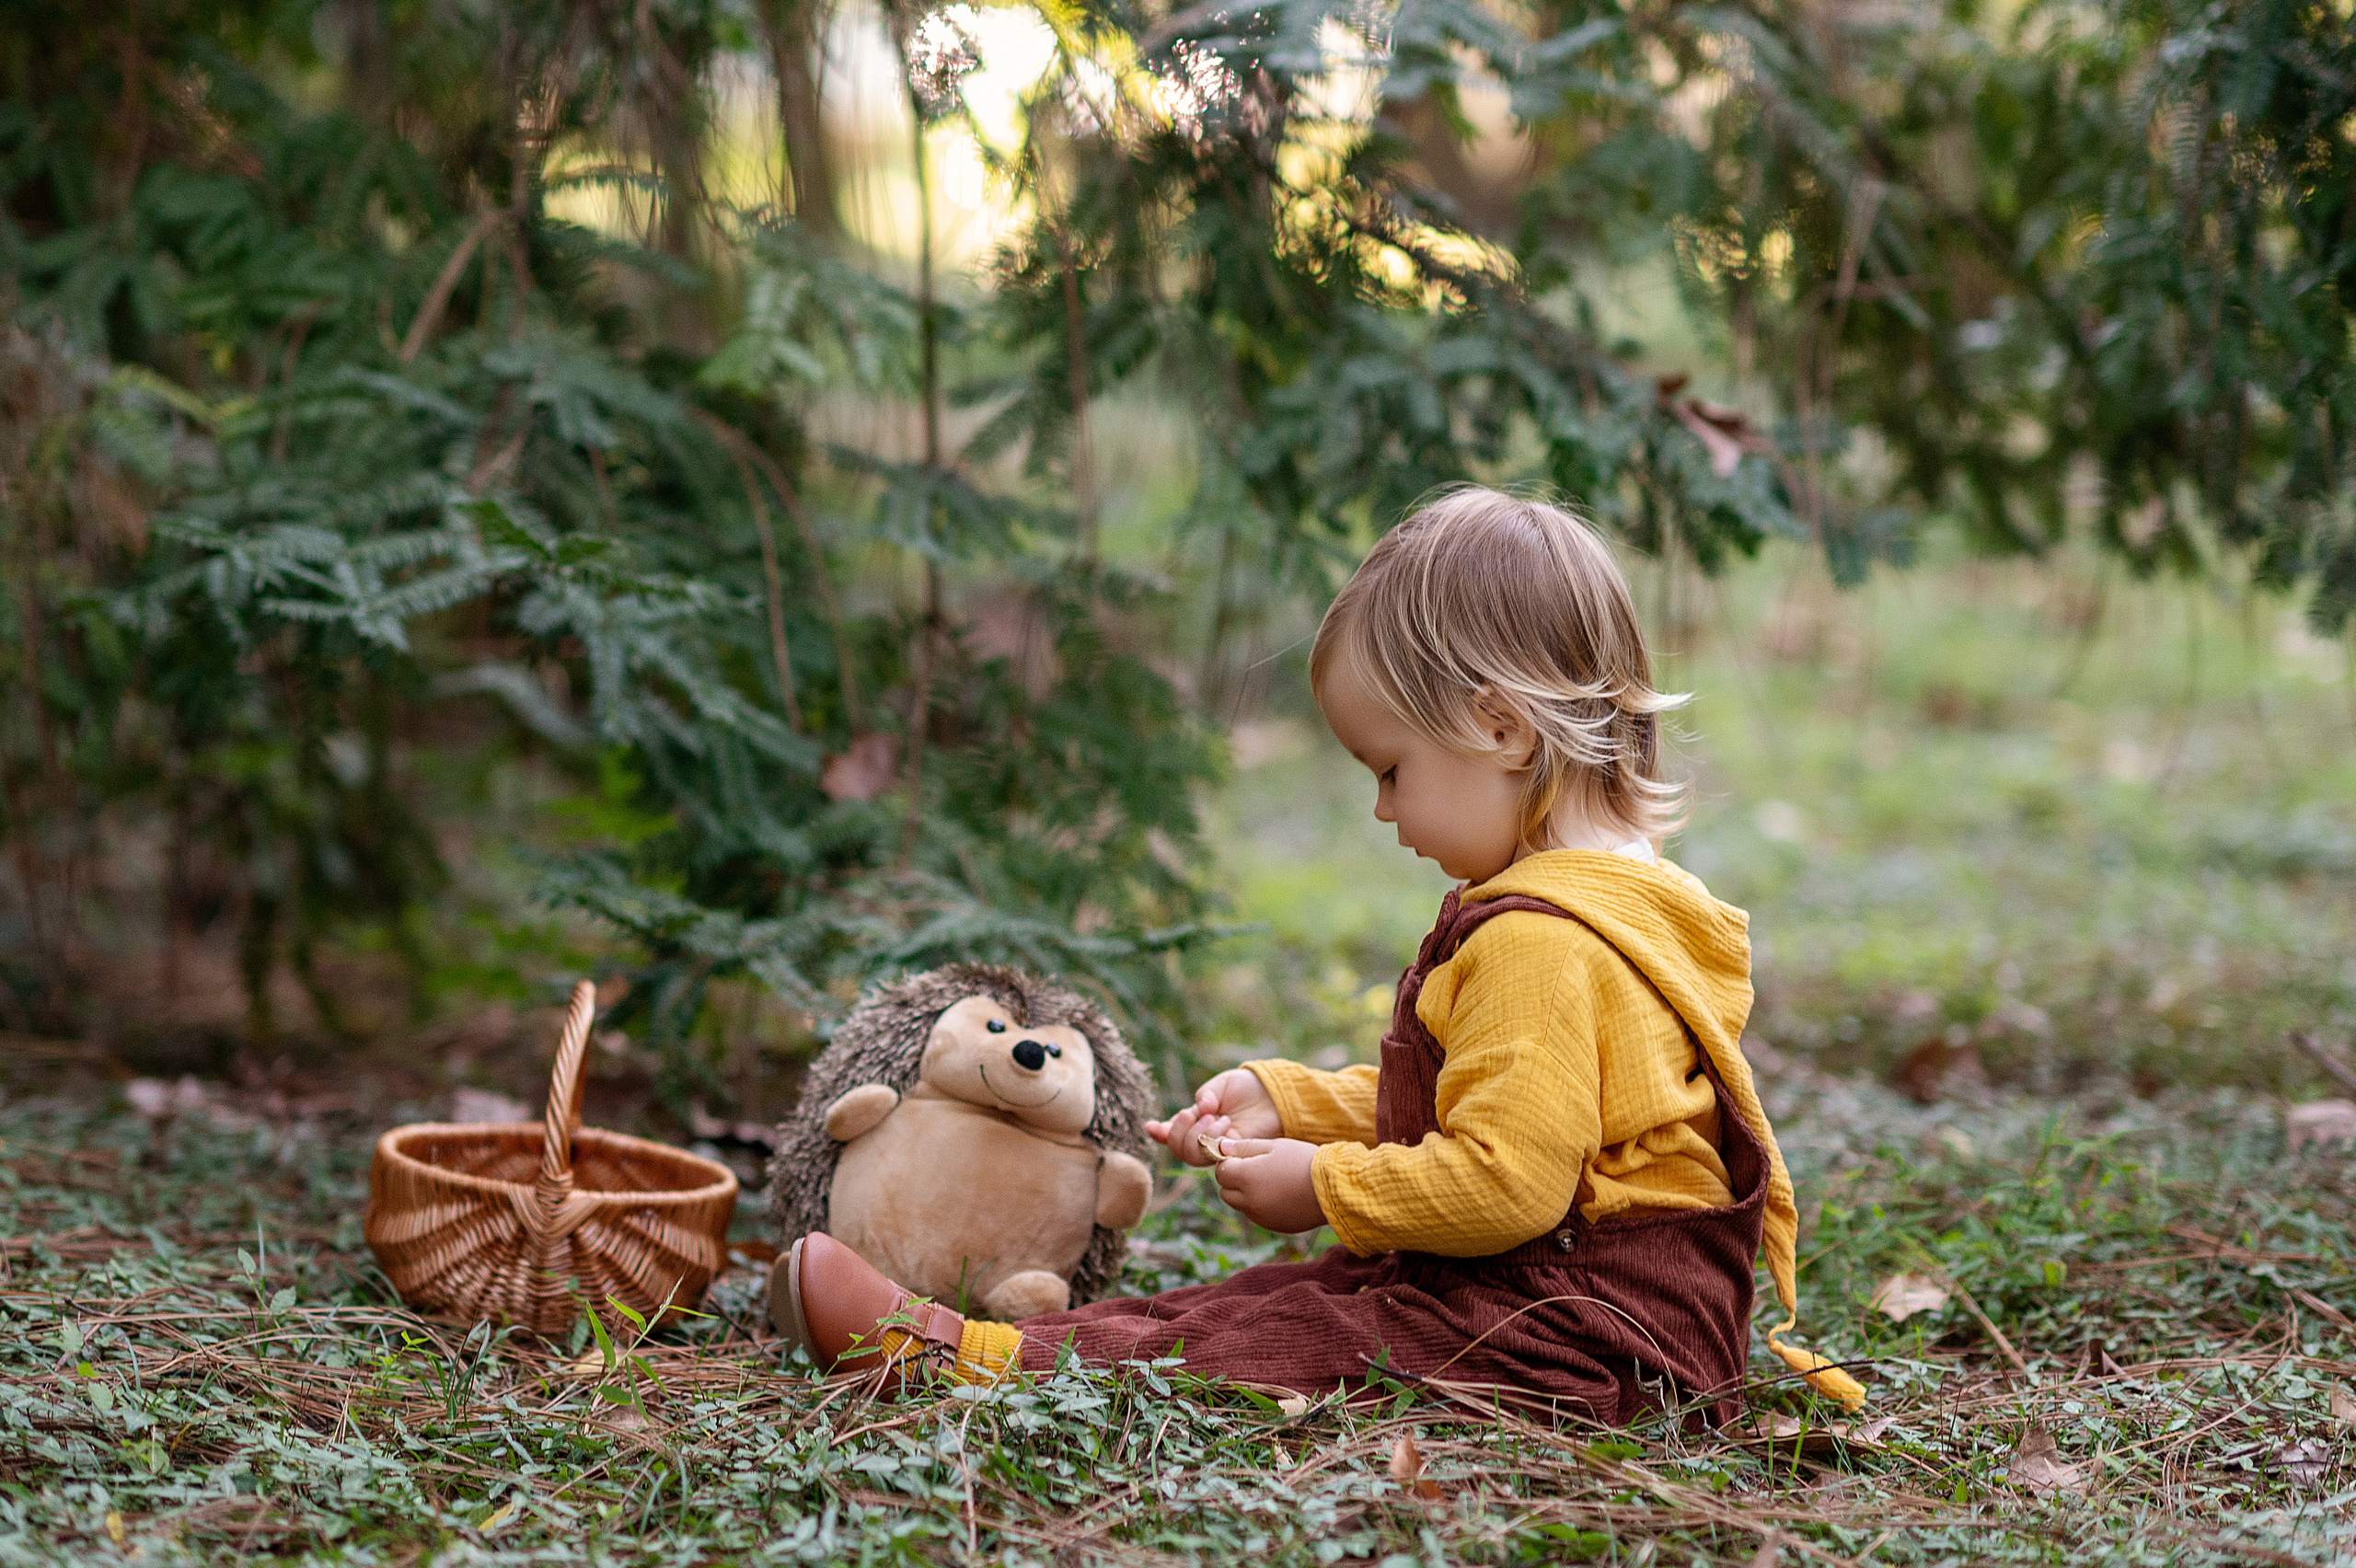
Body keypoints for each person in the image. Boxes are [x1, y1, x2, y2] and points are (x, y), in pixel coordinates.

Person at [771, 486, 1863, 1424]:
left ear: (1498, 728)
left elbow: (1511, 1184)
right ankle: (992, 1346)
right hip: (1588, 1305)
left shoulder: (1541, 940)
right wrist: (1287, 1102)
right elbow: (1509, 1108)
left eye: (1388, 768)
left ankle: (964, 1363)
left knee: (1298, 1331)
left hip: (1583, 1340)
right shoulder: (1615, 902)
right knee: (1280, 1298)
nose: (1382, 809)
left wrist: (1325, 1185)